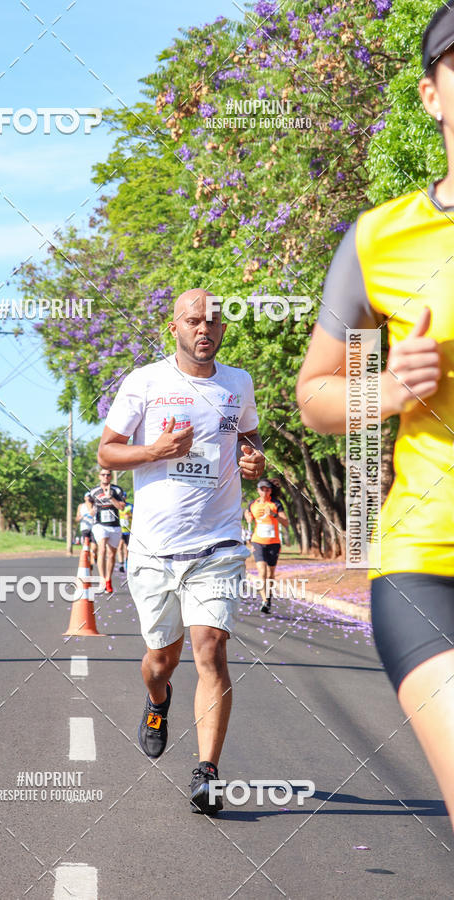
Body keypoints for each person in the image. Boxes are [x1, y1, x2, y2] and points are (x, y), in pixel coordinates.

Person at [296, 2, 454, 829]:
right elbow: (316, 395)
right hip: (431, 561)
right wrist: (386, 392)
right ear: (432, 94)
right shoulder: (379, 238)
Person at [98, 288, 265, 815]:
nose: (205, 329)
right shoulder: (145, 382)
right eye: (194, 320)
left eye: (213, 322)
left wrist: (255, 462)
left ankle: (207, 771)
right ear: (174, 326)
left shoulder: (238, 384)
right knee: (160, 661)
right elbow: (106, 450)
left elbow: (251, 443)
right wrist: (153, 451)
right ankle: (157, 700)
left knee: (210, 648)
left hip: (217, 544)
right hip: (153, 549)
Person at [249, 478, 289, 614]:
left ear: (271, 490)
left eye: (268, 489)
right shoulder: (253, 504)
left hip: (273, 543)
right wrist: (247, 516)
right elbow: (248, 514)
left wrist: (273, 514)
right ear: (258, 490)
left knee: (271, 574)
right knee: (262, 572)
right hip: (258, 542)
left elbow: (286, 522)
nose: (265, 492)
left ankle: (269, 598)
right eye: (262, 489)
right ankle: (264, 601)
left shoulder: (276, 504)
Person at [85, 469, 126, 594]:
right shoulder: (94, 491)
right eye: (103, 475)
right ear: (99, 476)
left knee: (112, 554)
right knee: (101, 548)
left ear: (111, 476)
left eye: (108, 475)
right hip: (100, 525)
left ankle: (108, 579)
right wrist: (90, 509)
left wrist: (111, 498)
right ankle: (102, 579)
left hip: (114, 525)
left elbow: (121, 506)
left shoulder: (117, 490)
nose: (106, 477)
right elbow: (87, 499)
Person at [75, 496, 97, 566]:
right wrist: (80, 517)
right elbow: (77, 519)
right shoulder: (81, 506)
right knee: (86, 545)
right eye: (87, 498)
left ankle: (94, 556)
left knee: (94, 547)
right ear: (84, 498)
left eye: (90, 498)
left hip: (94, 527)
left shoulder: (95, 506)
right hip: (84, 528)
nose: (88, 499)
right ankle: (89, 561)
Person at [118, 501, 133, 573]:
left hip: (128, 530)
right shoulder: (117, 505)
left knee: (126, 548)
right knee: (119, 547)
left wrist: (129, 516)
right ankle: (121, 564)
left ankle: (127, 563)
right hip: (120, 530)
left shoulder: (130, 506)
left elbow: (136, 515)